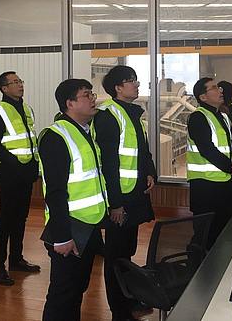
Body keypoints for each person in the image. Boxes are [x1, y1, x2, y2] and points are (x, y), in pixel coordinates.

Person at [39, 79, 112, 321]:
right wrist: (62, 237)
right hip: (69, 228)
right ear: (70, 103)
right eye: (86, 95)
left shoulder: (85, 131)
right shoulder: (56, 136)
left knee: (77, 288)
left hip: (88, 226)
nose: (93, 99)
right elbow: (55, 192)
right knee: (62, 294)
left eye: (92, 94)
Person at [94, 66, 156, 321]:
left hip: (134, 193)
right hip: (120, 197)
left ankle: (128, 298)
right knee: (116, 255)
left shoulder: (132, 113)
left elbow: (142, 150)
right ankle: (118, 310)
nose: (137, 84)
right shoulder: (108, 115)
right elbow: (108, 163)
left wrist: (150, 172)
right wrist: (115, 204)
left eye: (136, 80)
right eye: (131, 81)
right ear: (118, 88)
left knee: (127, 250)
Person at [0, 71, 41, 286]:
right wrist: (13, 162)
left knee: (21, 218)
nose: (20, 85)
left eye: (20, 81)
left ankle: (16, 259)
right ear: (4, 88)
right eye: (14, 82)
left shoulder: (27, 109)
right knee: (6, 219)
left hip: (27, 171)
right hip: (10, 172)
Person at [186, 77, 232, 249]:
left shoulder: (223, 116)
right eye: (214, 88)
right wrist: (230, 167)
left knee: (224, 232)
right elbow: (206, 149)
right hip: (205, 186)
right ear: (203, 97)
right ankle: (200, 264)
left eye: (219, 87)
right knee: (206, 236)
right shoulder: (198, 117)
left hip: (224, 183)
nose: (220, 91)